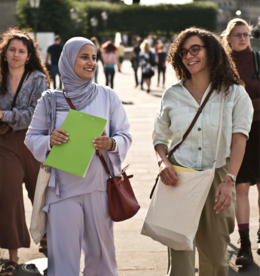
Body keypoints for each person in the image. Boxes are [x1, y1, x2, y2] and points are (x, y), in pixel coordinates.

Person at [24, 37, 132, 276]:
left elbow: (125, 134)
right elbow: (31, 138)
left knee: (101, 253)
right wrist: (49, 140)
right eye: (84, 57)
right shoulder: (49, 99)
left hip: (98, 187)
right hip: (62, 188)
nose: (91, 63)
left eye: (94, 58)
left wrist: (111, 142)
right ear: (68, 60)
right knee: (63, 255)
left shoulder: (108, 96)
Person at [153, 28, 253, 276]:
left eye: (195, 49)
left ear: (212, 51)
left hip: (217, 176)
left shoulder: (234, 93)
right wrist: (162, 162)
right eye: (184, 52)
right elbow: (160, 137)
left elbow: (239, 140)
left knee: (216, 262)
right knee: (181, 265)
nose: (189, 56)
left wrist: (229, 180)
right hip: (178, 179)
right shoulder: (173, 94)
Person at [0, 29, 50, 275]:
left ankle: (49, 239)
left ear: (29, 55)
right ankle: (11, 256)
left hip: (33, 142)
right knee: (9, 198)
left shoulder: (39, 79)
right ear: (5, 52)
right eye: (12, 50)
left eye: (21, 51)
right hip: (5, 143)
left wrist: (3, 115)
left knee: (39, 193)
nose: (16, 55)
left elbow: (35, 115)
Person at [221, 18, 260, 266]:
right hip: (238, 134)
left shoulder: (258, 58)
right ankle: (244, 243)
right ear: (228, 38)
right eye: (238, 35)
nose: (243, 38)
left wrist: (246, 107)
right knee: (241, 187)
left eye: (246, 34)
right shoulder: (222, 65)